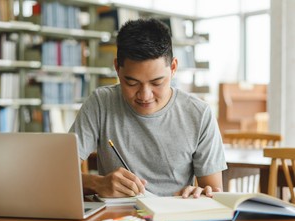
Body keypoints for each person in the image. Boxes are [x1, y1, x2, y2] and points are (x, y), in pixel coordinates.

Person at [69, 18, 227, 198]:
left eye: (156, 82)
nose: (145, 95)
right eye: (132, 82)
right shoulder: (101, 103)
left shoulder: (199, 114)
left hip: (175, 220)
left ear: (173, 67)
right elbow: (57, 174)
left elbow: (214, 193)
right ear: (117, 69)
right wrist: (97, 183)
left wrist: (202, 193)